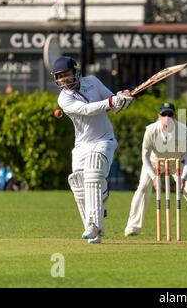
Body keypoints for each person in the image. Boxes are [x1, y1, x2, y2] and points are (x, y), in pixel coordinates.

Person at [52, 56, 133, 244]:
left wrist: (123, 99)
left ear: (75, 72)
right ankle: (95, 231)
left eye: (66, 74)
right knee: (78, 185)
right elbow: (89, 109)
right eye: (60, 76)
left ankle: (93, 225)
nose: (64, 79)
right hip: (82, 145)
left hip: (104, 139)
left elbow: (111, 104)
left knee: (93, 172)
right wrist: (112, 102)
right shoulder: (64, 98)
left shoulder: (93, 82)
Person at [124, 102, 187, 237]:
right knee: (143, 187)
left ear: (174, 116)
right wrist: (154, 177)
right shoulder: (151, 130)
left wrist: (183, 177)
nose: (167, 118)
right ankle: (133, 226)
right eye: (164, 114)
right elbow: (145, 156)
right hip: (154, 162)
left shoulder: (183, 130)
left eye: (170, 114)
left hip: (176, 163)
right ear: (159, 116)